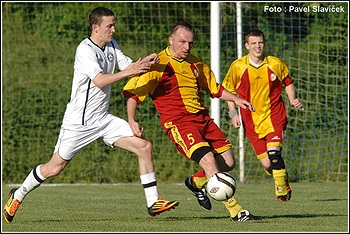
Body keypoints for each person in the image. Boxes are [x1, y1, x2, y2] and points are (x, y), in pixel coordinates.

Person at [3, 6, 179, 224]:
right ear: (96, 27)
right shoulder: (85, 50)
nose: (113, 30)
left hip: (103, 119)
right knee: (54, 167)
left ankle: (153, 203)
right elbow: (100, 80)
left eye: (114, 25)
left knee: (144, 146)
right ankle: (18, 195)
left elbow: (127, 65)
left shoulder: (111, 45)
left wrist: (144, 64)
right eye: (109, 26)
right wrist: (129, 72)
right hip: (79, 123)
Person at [122, 21, 261, 222]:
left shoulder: (196, 64)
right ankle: (236, 211)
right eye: (182, 42)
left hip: (203, 119)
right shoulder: (157, 64)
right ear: (171, 40)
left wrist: (237, 99)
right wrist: (131, 119)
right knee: (208, 160)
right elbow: (134, 94)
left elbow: (215, 89)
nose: (186, 47)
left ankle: (195, 183)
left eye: (190, 43)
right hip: (179, 122)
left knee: (229, 161)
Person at [222, 28, 304, 202]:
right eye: (253, 43)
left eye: (260, 43)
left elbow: (288, 82)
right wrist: (233, 113)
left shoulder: (275, 63)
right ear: (247, 46)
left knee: (274, 155)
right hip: (251, 120)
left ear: (264, 44)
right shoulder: (238, 66)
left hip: (275, 115)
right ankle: (281, 175)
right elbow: (228, 90)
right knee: (268, 164)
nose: (257, 47)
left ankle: (281, 189)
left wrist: (292, 99)